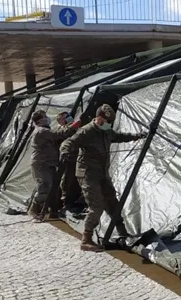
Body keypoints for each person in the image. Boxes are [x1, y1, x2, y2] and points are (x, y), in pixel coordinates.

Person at [59, 104, 146, 251]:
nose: (109, 124)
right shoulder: (86, 131)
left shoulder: (106, 131)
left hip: (102, 173)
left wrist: (137, 136)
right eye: (106, 122)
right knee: (96, 206)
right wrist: (65, 152)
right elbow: (68, 142)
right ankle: (86, 240)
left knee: (113, 203)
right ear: (99, 118)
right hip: (87, 174)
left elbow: (118, 136)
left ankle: (123, 232)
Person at [28, 110, 81, 221]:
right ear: (40, 120)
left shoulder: (45, 130)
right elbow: (58, 135)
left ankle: (51, 211)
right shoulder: (41, 131)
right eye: (44, 117)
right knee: (44, 187)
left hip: (49, 163)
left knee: (52, 188)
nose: (47, 118)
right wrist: (74, 126)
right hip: (42, 164)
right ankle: (34, 210)